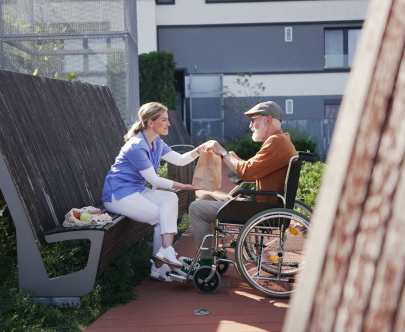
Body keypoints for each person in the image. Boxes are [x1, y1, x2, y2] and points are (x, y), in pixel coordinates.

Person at [175, 101, 298, 278]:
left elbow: (246, 173)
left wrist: (223, 153)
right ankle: (211, 255)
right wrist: (231, 157)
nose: (250, 125)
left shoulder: (276, 142)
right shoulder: (281, 140)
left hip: (263, 210)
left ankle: (206, 263)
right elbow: (250, 169)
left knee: (196, 208)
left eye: (254, 120)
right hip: (265, 205)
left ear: (268, 119)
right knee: (206, 198)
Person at [102, 102, 210, 282]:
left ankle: (164, 254)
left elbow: (180, 160)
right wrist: (186, 186)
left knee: (170, 198)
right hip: (118, 195)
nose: (169, 124)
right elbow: (154, 180)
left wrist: (201, 149)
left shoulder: (156, 141)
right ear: (151, 122)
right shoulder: (137, 146)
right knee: (161, 216)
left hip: (136, 190)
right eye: (164, 120)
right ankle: (160, 267)